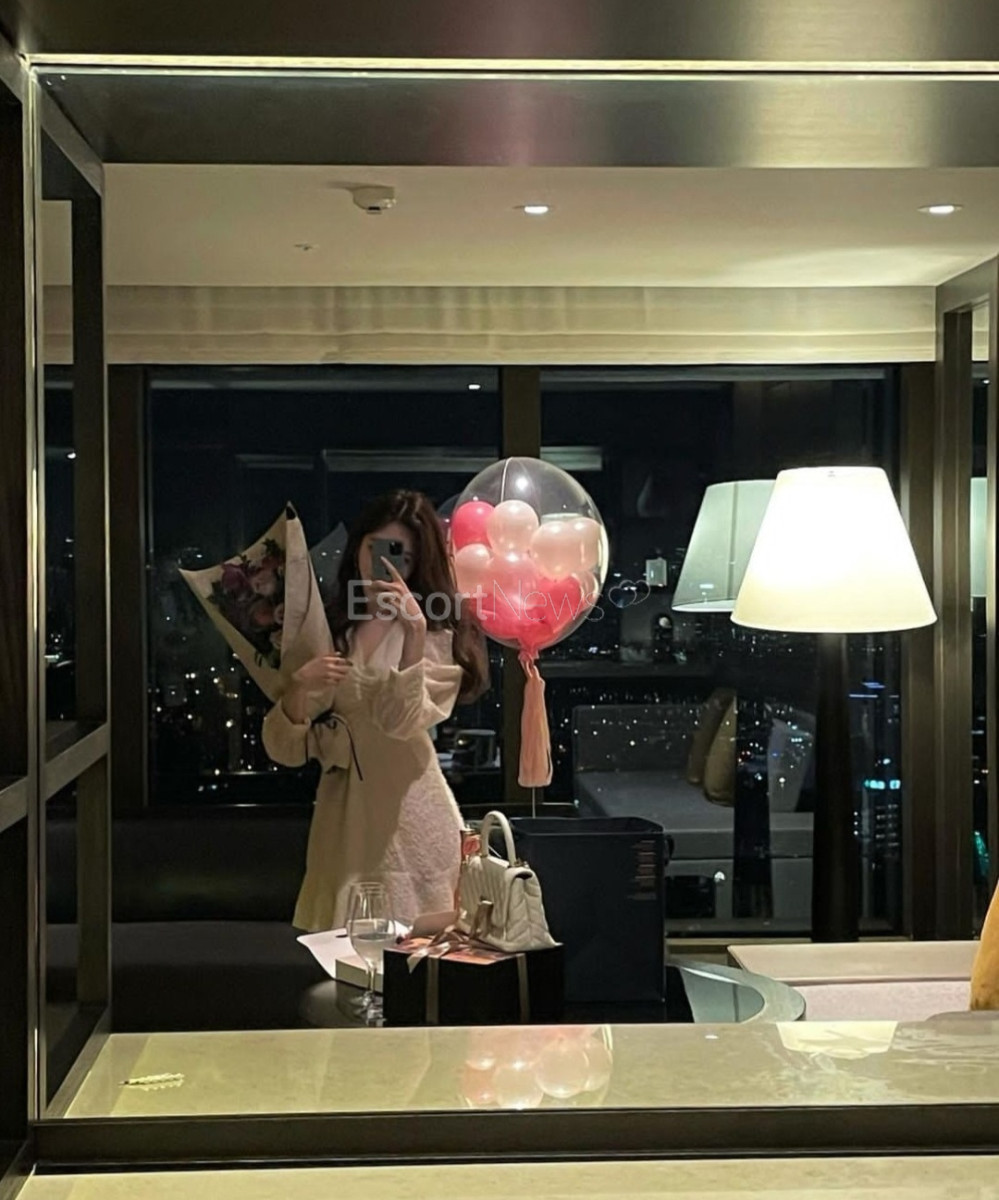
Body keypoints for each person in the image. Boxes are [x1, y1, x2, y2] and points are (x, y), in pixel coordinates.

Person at [262, 489, 488, 932]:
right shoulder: (332, 630)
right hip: (343, 821)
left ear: (418, 562)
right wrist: (299, 687)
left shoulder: (438, 633)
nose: (383, 562)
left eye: (401, 554)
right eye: (375, 547)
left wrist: (414, 634)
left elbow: (400, 723)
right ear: (358, 546)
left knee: (419, 957)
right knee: (345, 957)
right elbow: (287, 750)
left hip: (412, 813)